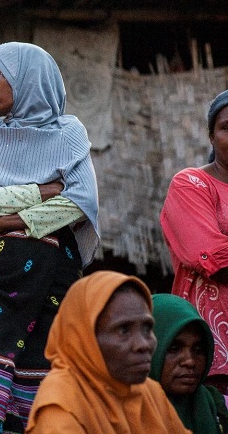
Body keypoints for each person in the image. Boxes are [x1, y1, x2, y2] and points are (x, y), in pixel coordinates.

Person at [0, 42, 99, 433]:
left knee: (43, 376)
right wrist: (45, 189)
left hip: (53, 276)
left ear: (27, 82)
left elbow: (80, 202)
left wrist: (5, 223)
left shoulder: (68, 133)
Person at [25, 270, 190, 433]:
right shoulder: (61, 407)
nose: (143, 344)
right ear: (85, 338)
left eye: (147, 328)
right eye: (123, 330)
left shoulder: (149, 392)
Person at [160, 89, 228, 394]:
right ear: (211, 136)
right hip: (209, 345)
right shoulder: (191, 184)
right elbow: (213, 256)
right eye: (227, 128)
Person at [150, 293, 228, 434]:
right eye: (174, 349)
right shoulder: (119, 414)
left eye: (199, 350)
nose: (190, 361)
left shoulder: (217, 407)